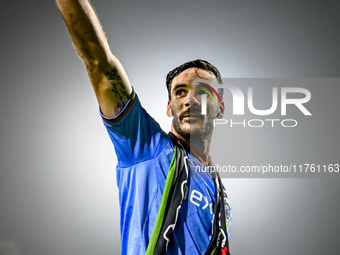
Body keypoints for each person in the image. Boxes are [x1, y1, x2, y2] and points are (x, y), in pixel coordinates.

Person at [56, 1, 232, 254]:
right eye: (180, 92)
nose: (189, 99)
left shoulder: (220, 191)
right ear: (169, 107)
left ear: (221, 108)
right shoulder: (146, 146)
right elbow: (99, 63)